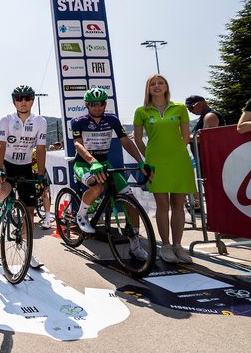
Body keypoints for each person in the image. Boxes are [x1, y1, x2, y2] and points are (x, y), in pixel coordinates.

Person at [71, 88, 153, 261]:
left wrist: (140, 161)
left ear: (105, 104)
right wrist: (92, 162)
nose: (96, 107)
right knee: (98, 185)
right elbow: (78, 145)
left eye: (100, 103)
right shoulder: (78, 121)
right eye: (92, 104)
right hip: (84, 163)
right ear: (86, 105)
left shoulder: (112, 120)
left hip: (105, 163)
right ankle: (81, 215)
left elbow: (125, 141)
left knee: (131, 202)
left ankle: (135, 246)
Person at [0, 85, 48, 269]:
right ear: (14, 102)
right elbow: (1, 146)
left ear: (32, 100)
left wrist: (41, 175)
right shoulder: (7, 120)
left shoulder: (40, 121)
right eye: (19, 98)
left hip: (26, 166)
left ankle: (28, 252)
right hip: (7, 163)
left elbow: (41, 149)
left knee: (29, 211)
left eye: (27, 98)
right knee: (5, 190)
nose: (23, 101)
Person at [134, 75, 195, 264]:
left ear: (167, 86)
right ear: (148, 89)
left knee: (179, 204)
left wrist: (175, 153)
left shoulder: (180, 108)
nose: (157, 86)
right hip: (155, 164)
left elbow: (186, 137)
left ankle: (178, 246)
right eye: (152, 84)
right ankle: (166, 246)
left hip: (179, 162)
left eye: (160, 83)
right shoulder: (141, 111)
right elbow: (137, 139)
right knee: (163, 206)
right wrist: (148, 159)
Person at [185, 95, 225, 212]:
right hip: (206, 160)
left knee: (215, 191)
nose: (190, 111)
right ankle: (217, 217)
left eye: (190, 108)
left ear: (200, 103)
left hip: (213, 161)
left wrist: (185, 138)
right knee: (210, 191)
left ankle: (219, 218)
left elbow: (206, 138)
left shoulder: (210, 116)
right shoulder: (204, 116)